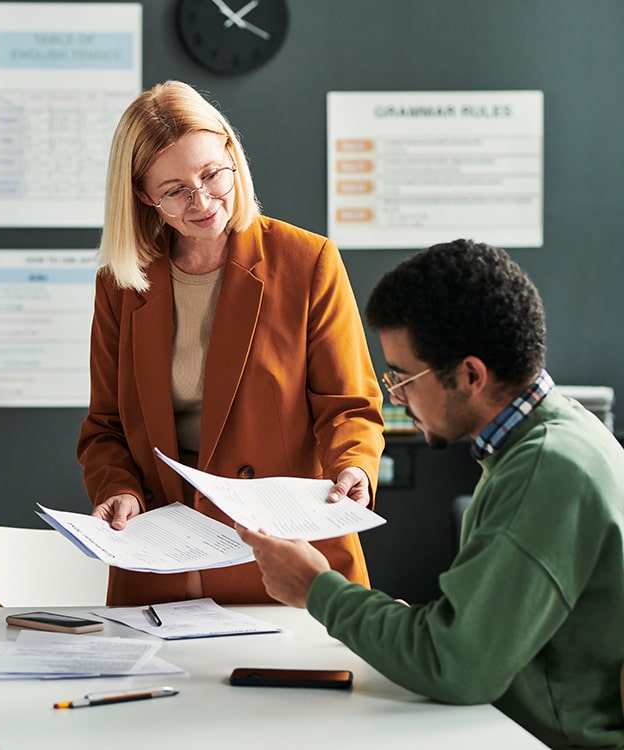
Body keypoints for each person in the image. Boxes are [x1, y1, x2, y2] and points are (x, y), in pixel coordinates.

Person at [237, 239, 624, 749]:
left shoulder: (541, 471)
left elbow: (456, 665)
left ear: (470, 375)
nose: (395, 396)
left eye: (403, 377)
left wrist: (316, 589)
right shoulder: (563, 431)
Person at [78, 80, 384, 605]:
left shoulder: (307, 261)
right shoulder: (122, 282)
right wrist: (118, 489)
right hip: (163, 555)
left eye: (212, 174)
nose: (201, 201)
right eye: (174, 190)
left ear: (231, 154)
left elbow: (349, 404)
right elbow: (105, 426)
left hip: (283, 551)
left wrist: (353, 465)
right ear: (142, 195)